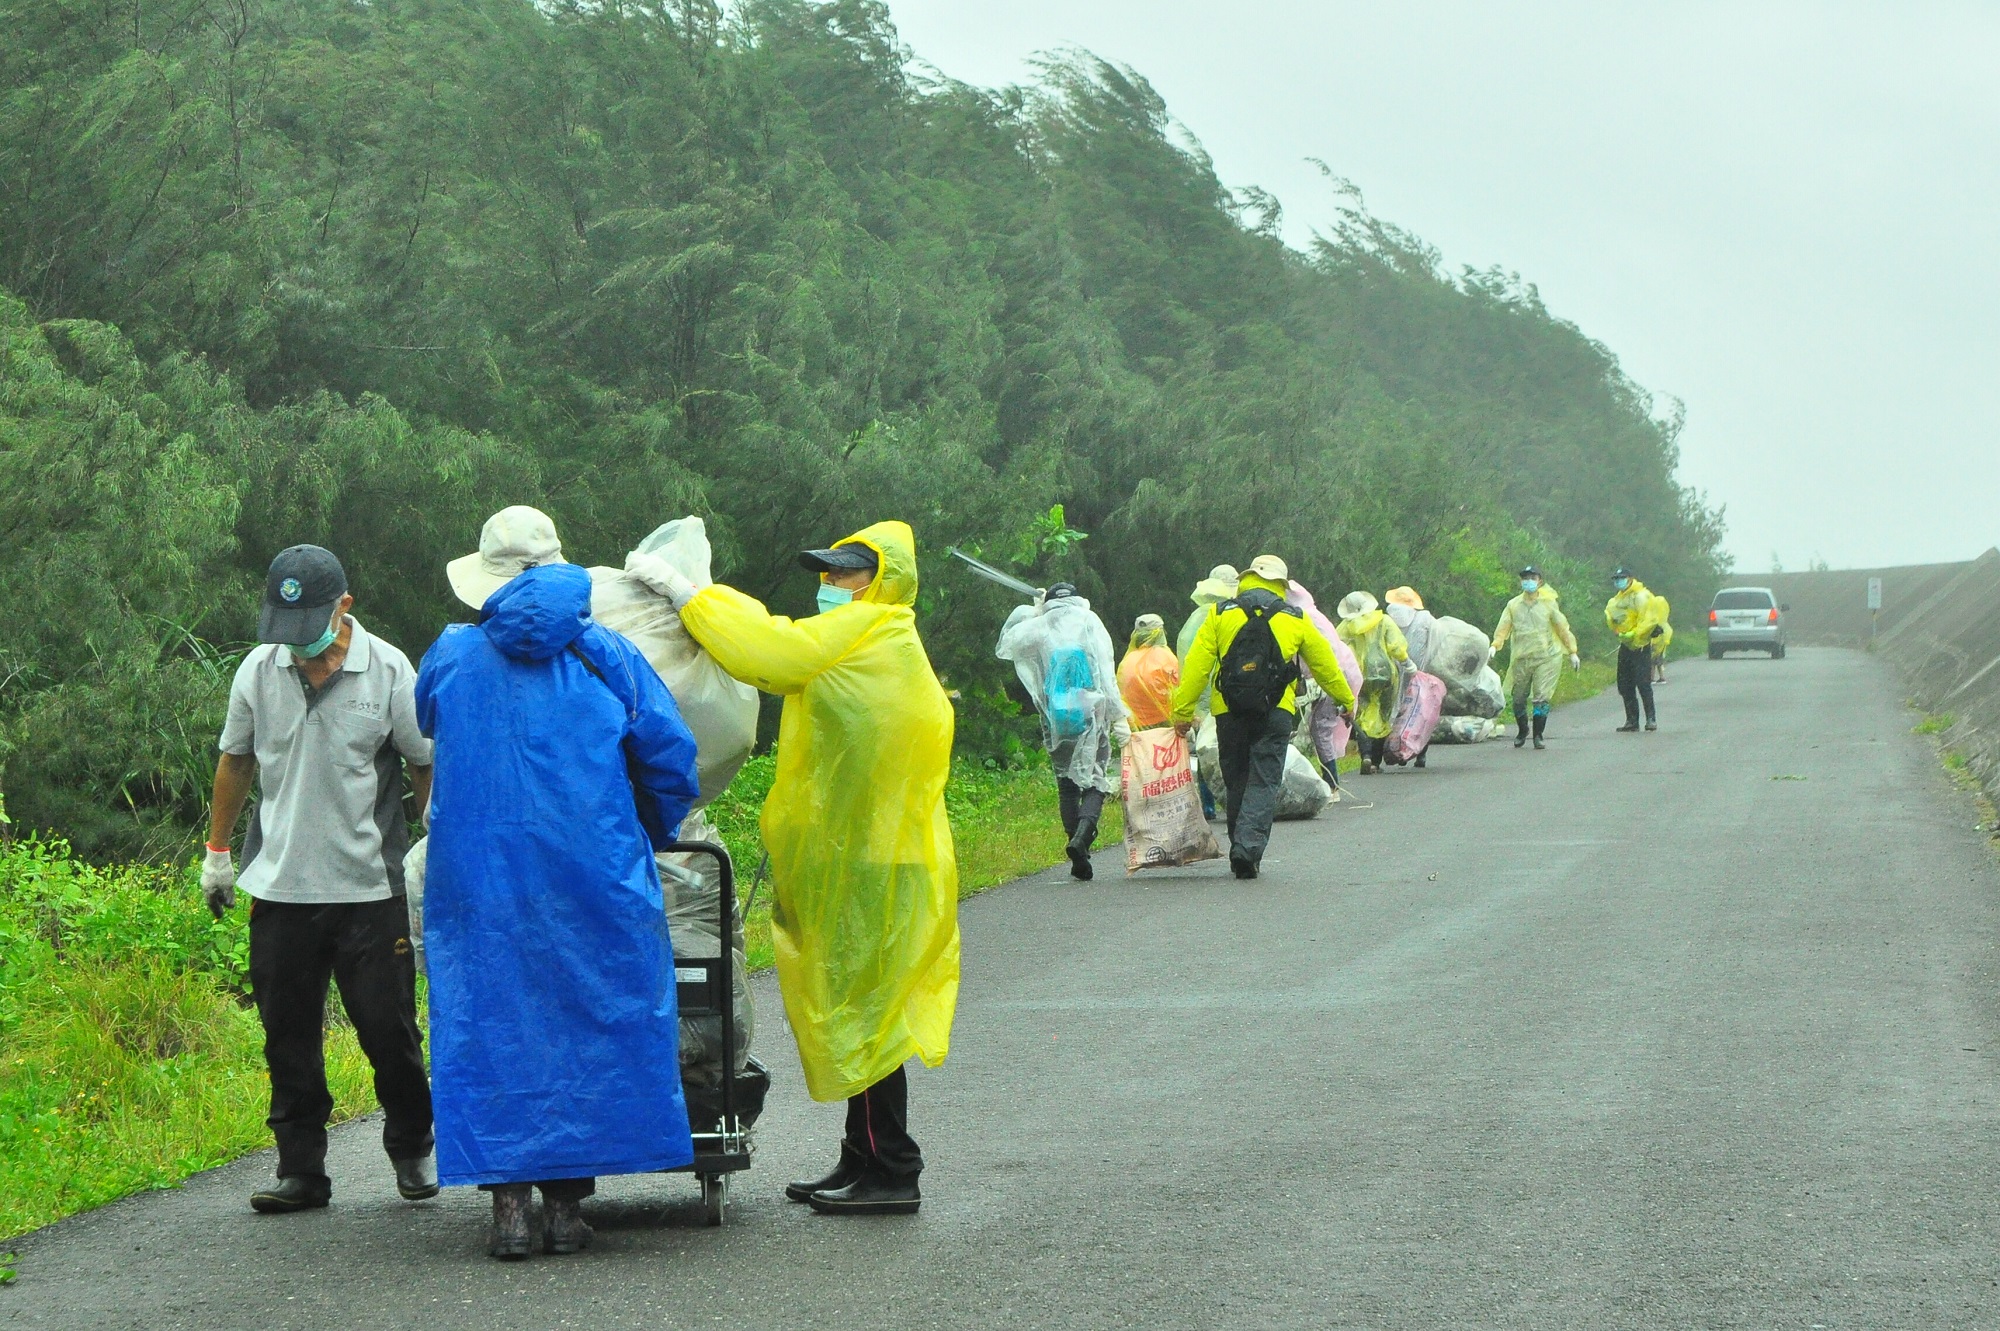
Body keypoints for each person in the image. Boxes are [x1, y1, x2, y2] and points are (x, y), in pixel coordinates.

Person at [629, 521, 959, 1216]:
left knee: (867, 1014)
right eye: (828, 572)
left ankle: (892, 1166)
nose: (830, 585)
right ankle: (862, 1153)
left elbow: (769, 651)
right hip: (868, 851)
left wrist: (692, 595)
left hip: (875, 858)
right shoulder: (869, 637)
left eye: (845, 573)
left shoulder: (873, 631)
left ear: (883, 580)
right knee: (856, 1004)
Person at [416, 519, 701, 1260]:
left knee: (493, 1019)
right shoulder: (607, 653)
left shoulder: (451, 654)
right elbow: (670, 756)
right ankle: (568, 1211)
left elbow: (429, 722)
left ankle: (508, 1210)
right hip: (592, 872)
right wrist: (642, 829)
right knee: (589, 1017)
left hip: (480, 874)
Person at [200, 545, 437, 1215]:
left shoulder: (389, 669)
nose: (297, 646)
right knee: (287, 1034)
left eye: (309, 627)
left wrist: (437, 846)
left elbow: (423, 764)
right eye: (286, 627)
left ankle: (411, 1142)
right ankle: (301, 1168)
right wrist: (218, 851)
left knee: (388, 1032)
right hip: (281, 889)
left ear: (344, 608)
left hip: (371, 888)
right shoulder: (258, 668)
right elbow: (236, 761)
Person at [1170, 555, 1352, 880]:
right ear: (1281, 585)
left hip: (1229, 711)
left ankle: (1240, 847)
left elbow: (1196, 668)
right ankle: (1247, 848)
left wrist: (1182, 713)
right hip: (1275, 712)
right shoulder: (1295, 618)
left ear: (1246, 579)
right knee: (1265, 779)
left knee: (1236, 778)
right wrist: (1346, 699)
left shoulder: (1220, 614)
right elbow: (1325, 664)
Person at [997, 585, 1130, 881]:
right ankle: (1082, 837)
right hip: (1090, 713)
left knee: (1067, 785)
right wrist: (1119, 717)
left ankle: (1076, 845)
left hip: (1055, 716)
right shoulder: (1089, 621)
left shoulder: (1040, 625)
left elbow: (1008, 644)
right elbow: (1106, 674)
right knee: (1095, 780)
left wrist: (1034, 612)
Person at [1490, 565, 1579, 750]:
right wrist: (1495, 646)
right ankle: (1523, 730)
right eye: (1525, 578)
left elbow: (1562, 628)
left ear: (1540, 581)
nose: (1528, 581)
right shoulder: (1513, 605)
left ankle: (1538, 734)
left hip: (1546, 656)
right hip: (1522, 658)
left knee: (1541, 696)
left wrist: (1572, 651)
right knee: (1518, 698)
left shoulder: (1548, 604)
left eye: (1532, 578)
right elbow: (1503, 627)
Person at [1177, 564, 1239, 820]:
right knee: (1229, 750)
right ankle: (1233, 800)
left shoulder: (1192, 622)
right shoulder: (1228, 616)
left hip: (1200, 699)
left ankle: (1208, 804)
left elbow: (1186, 665)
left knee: (1205, 752)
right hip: (1226, 695)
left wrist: (1186, 706)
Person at [1334, 591, 1411, 775]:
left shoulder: (1346, 626)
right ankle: (1375, 762)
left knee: (1362, 715)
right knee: (1382, 715)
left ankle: (1366, 756)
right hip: (1386, 674)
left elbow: (1335, 648)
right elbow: (1397, 646)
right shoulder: (1384, 620)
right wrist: (1408, 662)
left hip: (1360, 676)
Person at [1604, 566, 1668, 732]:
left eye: (1622, 578)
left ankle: (1651, 719)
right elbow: (1614, 618)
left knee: (1643, 683)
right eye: (1616, 579)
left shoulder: (1641, 596)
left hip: (1641, 646)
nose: (1619, 581)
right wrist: (1617, 629)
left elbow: (1648, 620)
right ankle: (1632, 720)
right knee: (1625, 685)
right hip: (1625, 646)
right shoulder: (1618, 600)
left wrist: (1635, 633)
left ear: (1631, 578)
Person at [1382, 586, 1437, 769]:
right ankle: (1420, 754)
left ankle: (1400, 752)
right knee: (1421, 712)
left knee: (1398, 711)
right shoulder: (1425, 619)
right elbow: (1434, 645)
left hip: (1396, 671)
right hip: (1419, 673)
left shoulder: (1388, 618)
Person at [1117, 614, 1181, 731]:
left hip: (1135, 726)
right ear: (1160, 633)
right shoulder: (1166, 657)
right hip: (1165, 724)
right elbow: (1179, 689)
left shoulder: (1126, 662)